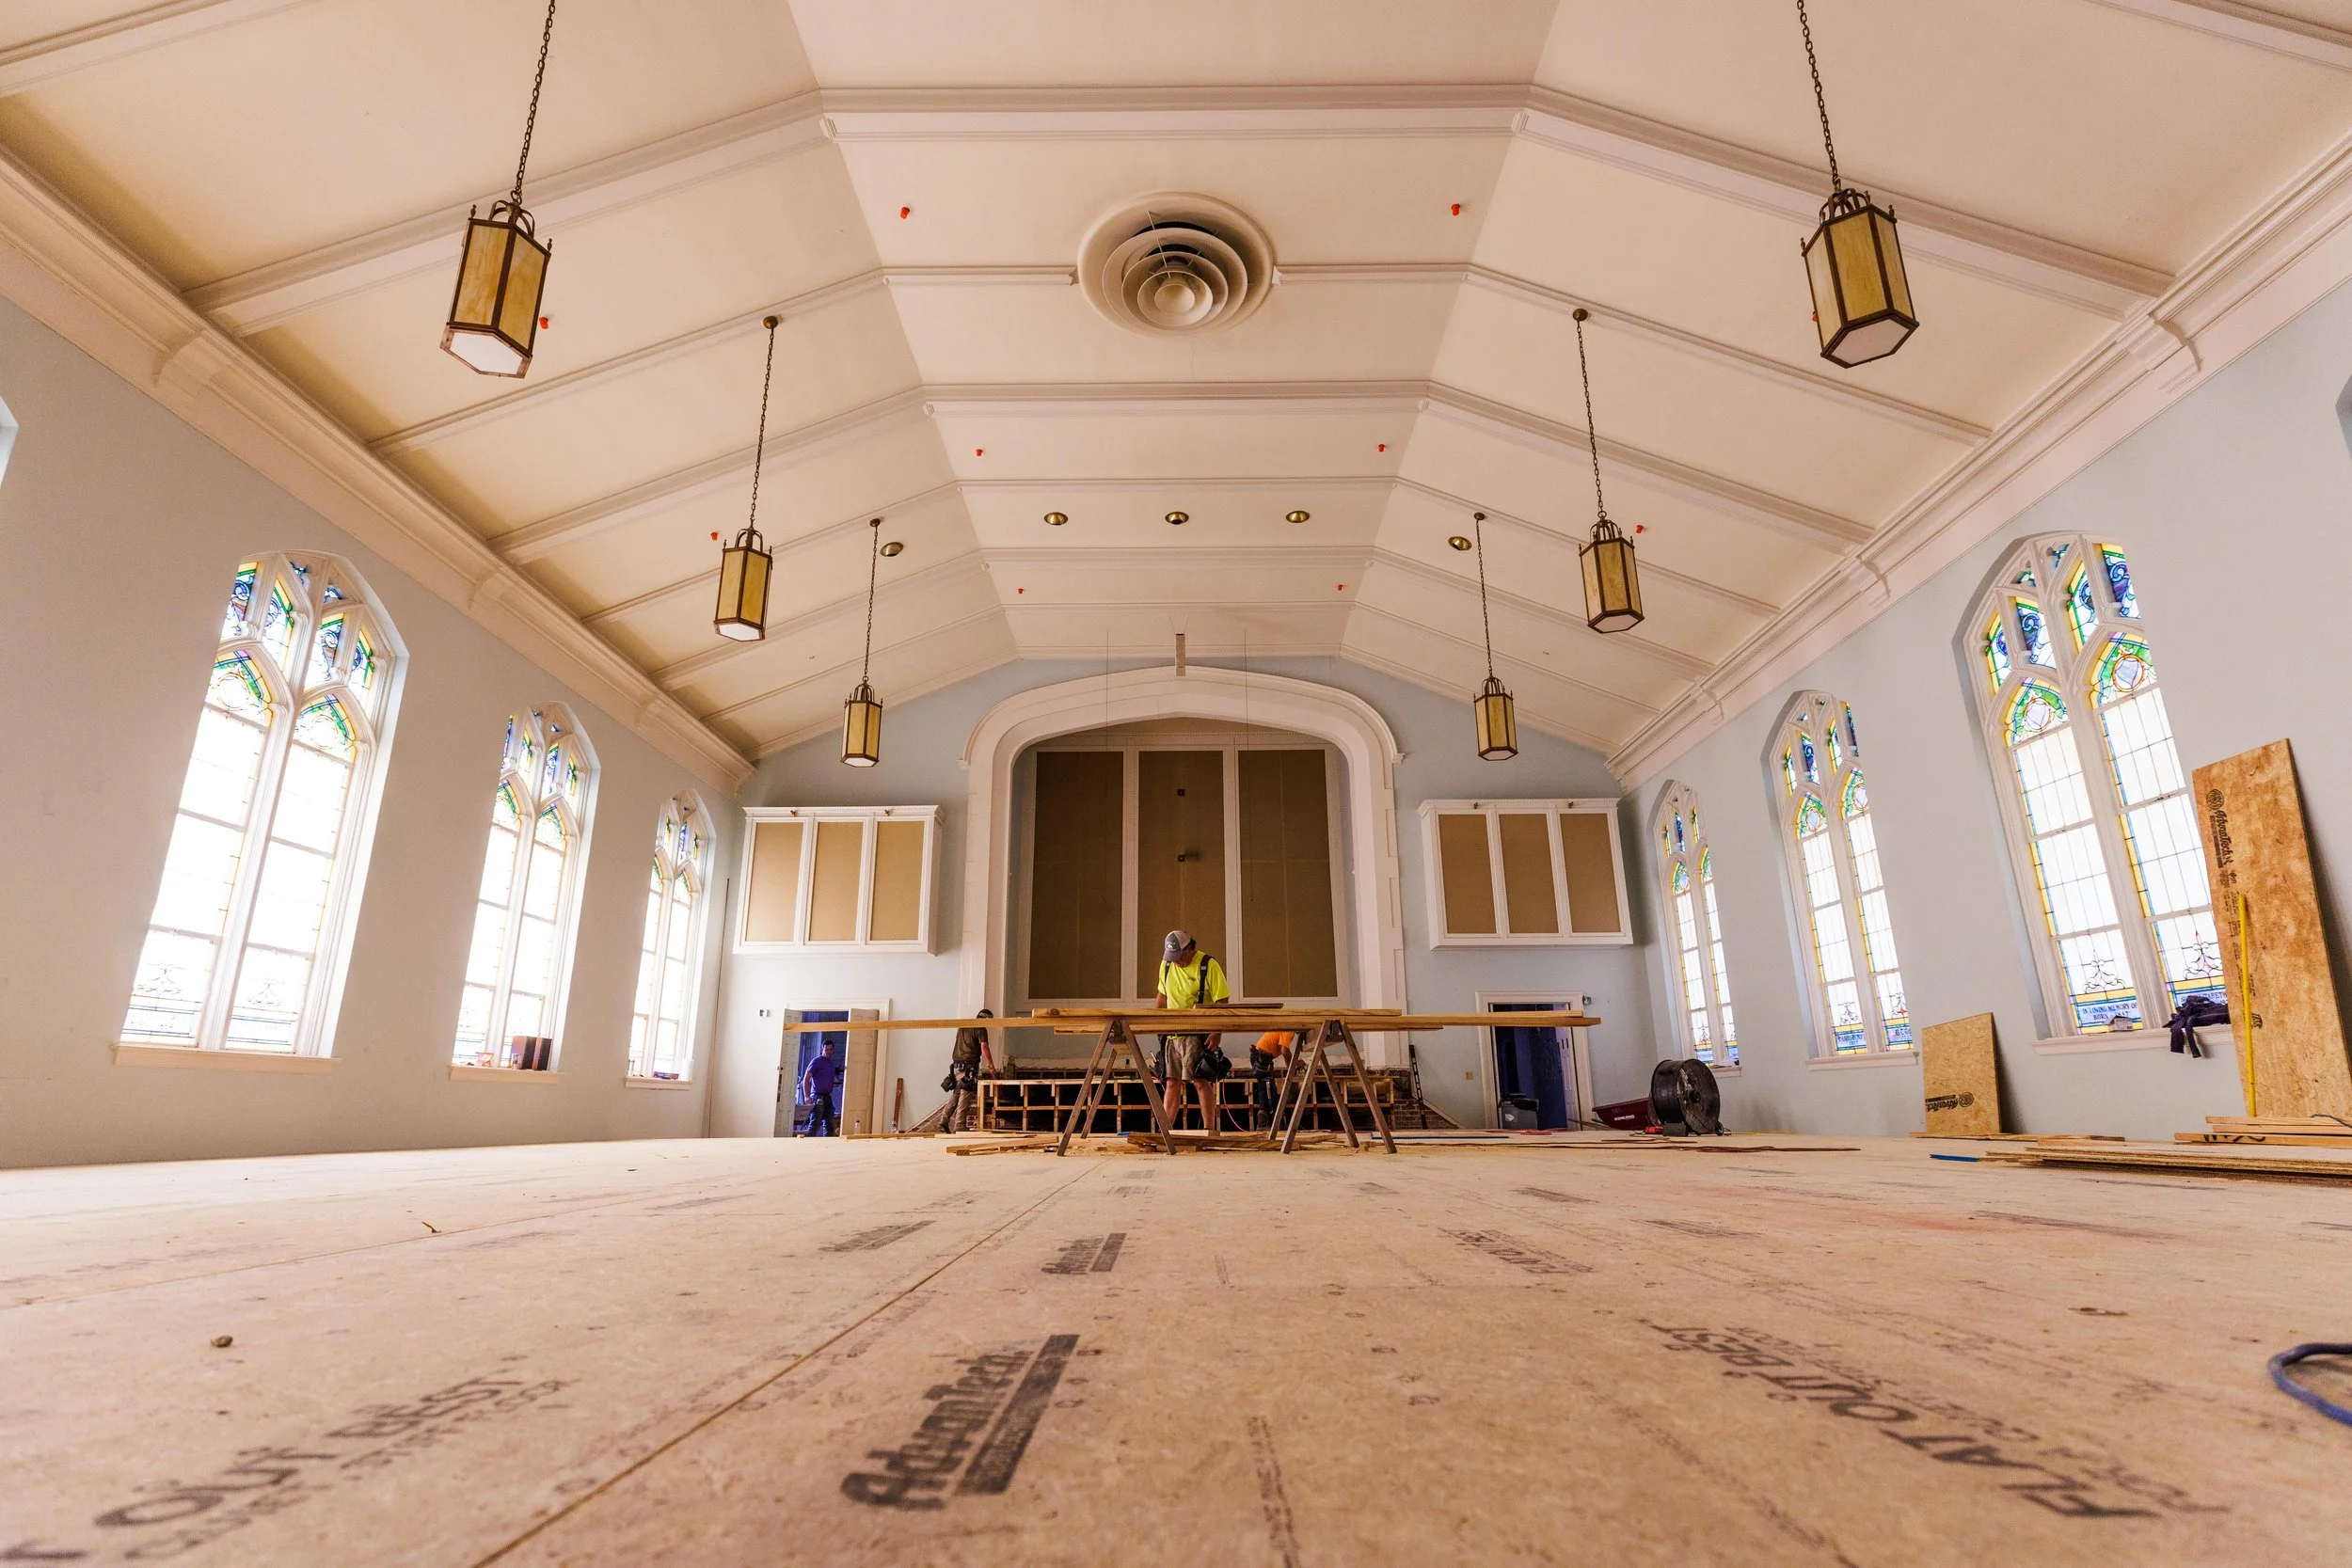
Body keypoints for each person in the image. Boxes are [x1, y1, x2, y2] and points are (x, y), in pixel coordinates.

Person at [1153, 929, 1231, 1133]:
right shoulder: (1167, 964)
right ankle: (1165, 1132)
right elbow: (1161, 996)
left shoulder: (1208, 964)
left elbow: (1222, 1001)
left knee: (1199, 1080)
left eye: (1179, 956)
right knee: (1171, 1082)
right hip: (1172, 1034)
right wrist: (1155, 1023)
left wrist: (1216, 1032)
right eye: (1172, 957)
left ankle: (1209, 1130)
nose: (1176, 961)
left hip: (1198, 1034)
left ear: (1190, 948)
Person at [942, 1008, 993, 1132]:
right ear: (986, 1020)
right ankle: (959, 1125)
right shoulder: (981, 1028)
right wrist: (991, 1065)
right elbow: (984, 1047)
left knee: (956, 1094)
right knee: (966, 1093)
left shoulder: (964, 1026)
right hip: (969, 1065)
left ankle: (943, 1121)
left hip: (956, 1066)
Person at [1248, 1030, 1295, 1132]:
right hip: (1262, 1057)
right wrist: (1292, 1066)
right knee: (1266, 1089)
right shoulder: (1289, 1029)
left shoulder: (1286, 1028)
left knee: (1271, 1089)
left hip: (1262, 1057)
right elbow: (1285, 1051)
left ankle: (1275, 1123)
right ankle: (1262, 1124)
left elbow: (1286, 1051)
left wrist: (1292, 1065)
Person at [800, 1043, 839, 1137]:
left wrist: (833, 1084)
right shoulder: (816, 1061)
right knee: (815, 1124)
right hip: (817, 1097)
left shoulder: (831, 1063)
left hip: (827, 1097)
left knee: (830, 1124)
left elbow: (825, 1078)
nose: (829, 1052)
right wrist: (807, 1096)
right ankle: (809, 1147)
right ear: (822, 1050)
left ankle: (827, 1147)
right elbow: (806, 1079)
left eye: (831, 1049)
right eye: (826, 1050)